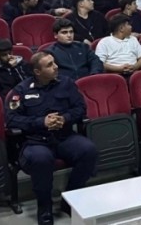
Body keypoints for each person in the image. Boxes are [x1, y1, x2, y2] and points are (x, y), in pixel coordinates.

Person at [5, 51, 97, 224]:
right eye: (49, 65)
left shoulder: (66, 83)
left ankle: (70, 200)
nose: (55, 67)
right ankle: (44, 208)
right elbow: (11, 119)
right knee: (41, 159)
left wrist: (65, 118)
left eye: (54, 63)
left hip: (64, 137)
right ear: (37, 72)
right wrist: (42, 122)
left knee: (88, 150)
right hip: (36, 141)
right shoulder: (21, 91)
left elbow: (80, 108)